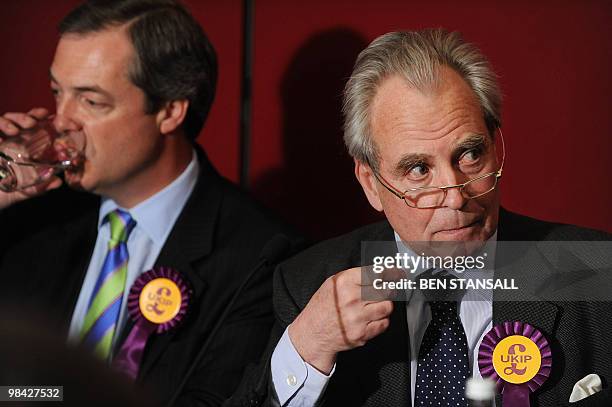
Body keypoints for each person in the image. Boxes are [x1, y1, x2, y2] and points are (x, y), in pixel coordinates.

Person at [227, 29, 611, 406]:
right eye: (417, 170)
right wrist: (307, 348)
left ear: (495, 146)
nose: (455, 195)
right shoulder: (307, 286)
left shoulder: (596, 271)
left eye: (470, 154)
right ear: (371, 184)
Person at [0, 1, 302, 405]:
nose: (60, 120)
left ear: (169, 110)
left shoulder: (262, 258)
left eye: (91, 102)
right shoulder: (29, 221)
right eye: (58, 92)